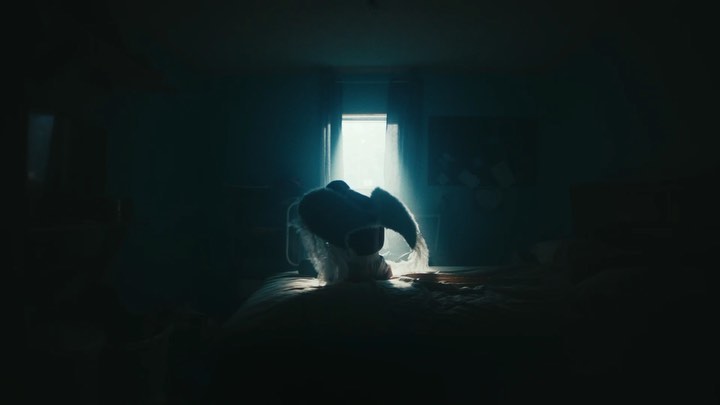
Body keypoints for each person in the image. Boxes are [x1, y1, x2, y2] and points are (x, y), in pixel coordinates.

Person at [294, 180, 429, 283]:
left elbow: (332, 249)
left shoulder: (340, 213)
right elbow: (379, 243)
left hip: (350, 269)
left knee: (306, 266)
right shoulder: (370, 206)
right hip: (377, 266)